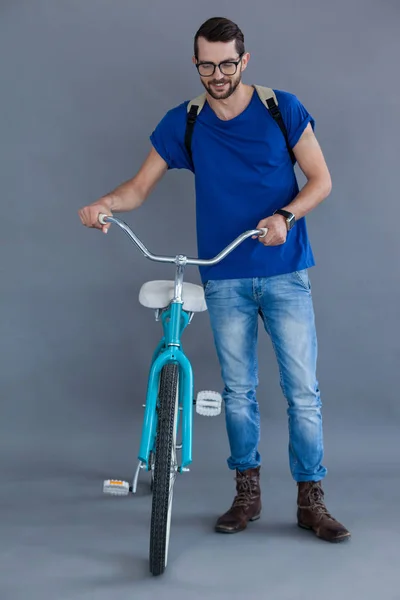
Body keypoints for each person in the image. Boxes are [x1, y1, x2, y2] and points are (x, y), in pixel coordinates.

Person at [79, 17, 350, 543]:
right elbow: (138, 188)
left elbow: (321, 180)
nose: (218, 73)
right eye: (208, 64)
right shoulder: (186, 121)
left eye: (228, 63)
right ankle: (246, 494)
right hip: (223, 277)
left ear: (243, 61)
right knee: (239, 393)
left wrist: (286, 218)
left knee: (303, 393)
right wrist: (104, 205)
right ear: (197, 64)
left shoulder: (280, 108)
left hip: (285, 272)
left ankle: (310, 501)